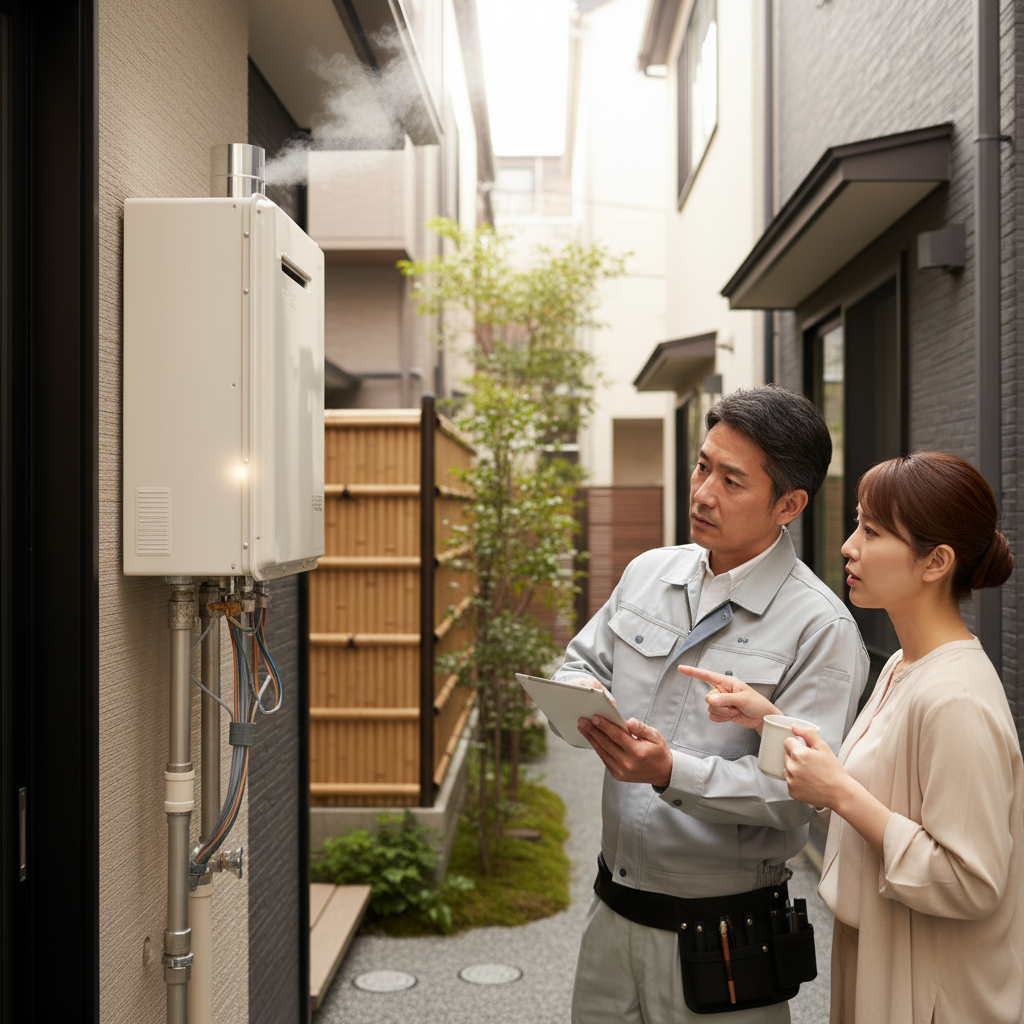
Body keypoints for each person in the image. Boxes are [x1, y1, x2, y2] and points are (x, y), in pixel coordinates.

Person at [553, 385, 869, 1024]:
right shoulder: (649, 572)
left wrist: (672, 772)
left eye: (731, 480)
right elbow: (580, 662)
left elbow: (795, 795)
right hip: (610, 914)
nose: (702, 493)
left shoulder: (820, 629)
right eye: (702, 466)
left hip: (727, 939)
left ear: (790, 503)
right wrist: (581, 695)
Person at [690, 451, 1023, 1024]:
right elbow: (878, 784)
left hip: (931, 991)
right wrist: (771, 721)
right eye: (856, 525)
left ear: (935, 562)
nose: (848, 546)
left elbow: (971, 882)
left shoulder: (956, 698)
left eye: (871, 531)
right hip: (887, 956)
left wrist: (840, 793)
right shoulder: (903, 664)